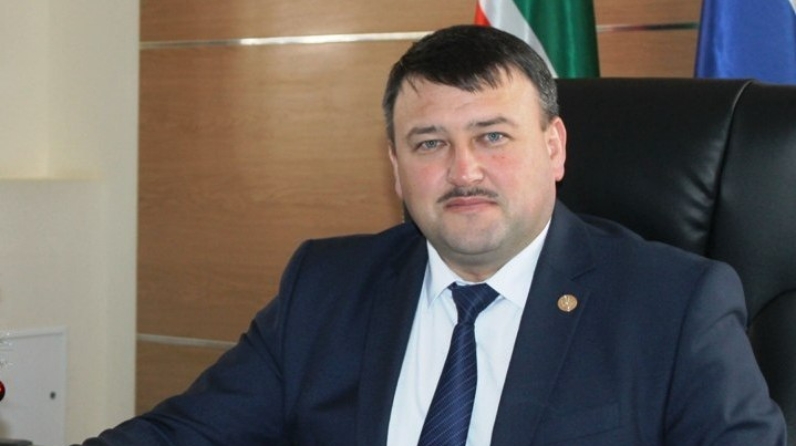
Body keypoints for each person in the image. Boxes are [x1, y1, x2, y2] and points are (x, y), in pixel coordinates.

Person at [77, 25, 786, 445]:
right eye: (429, 143)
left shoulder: (672, 304)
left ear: (554, 148)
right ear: (395, 166)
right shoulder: (326, 288)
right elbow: (185, 436)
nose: (463, 170)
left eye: (493, 136)